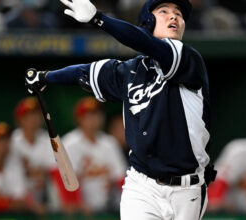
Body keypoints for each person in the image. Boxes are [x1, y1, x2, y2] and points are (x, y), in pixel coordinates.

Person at [24, 0, 216, 219]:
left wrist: (99, 18)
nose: (174, 17)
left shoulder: (189, 60)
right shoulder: (128, 72)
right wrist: (45, 77)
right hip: (142, 185)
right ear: (147, 21)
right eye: (164, 11)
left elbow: (146, 43)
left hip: (186, 189)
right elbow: (85, 72)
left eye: (178, 14)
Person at [61, 97, 127, 213]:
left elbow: (121, 177)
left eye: (97, 115)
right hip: (76, 211)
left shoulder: (109, 143)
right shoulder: (69, 143)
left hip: (107, 207)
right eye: (89, 116)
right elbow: (66, 180)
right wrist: (77, 204)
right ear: (79, 119)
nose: (94, 119)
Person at [10, 97, 56, 214]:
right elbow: (11, 178)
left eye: (36, 114)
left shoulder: (48, 139)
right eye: (29, 115)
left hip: (43, 201)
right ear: (20, 119)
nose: (34, 119)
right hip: (16, 204)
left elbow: (54, 172)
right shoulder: (12, 142)